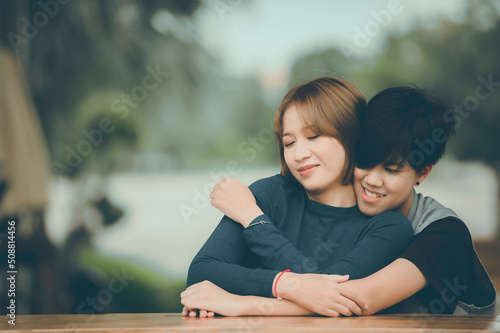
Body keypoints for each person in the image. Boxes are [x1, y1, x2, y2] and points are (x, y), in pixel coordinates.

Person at [181, 85, 497, 316]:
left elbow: (347, 298)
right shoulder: (272, 194)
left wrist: (240, 303)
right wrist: (285, 285)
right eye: (288, 142)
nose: (372, 180)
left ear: (422, 173)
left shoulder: (438, 233)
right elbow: (204, 270)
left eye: (391, 169)